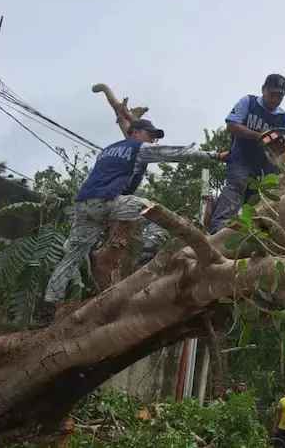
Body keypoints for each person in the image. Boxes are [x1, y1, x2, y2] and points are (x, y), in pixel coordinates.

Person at [30, 119, 227, 328]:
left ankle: (46, 309)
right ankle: (147, 256)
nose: (153, 139)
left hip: (83, 204)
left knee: (71, 257)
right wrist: (213, 156)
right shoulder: (137, 148)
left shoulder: (107, 150)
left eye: (154, 136)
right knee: (156, 212)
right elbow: (174, 153)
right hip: (107, 202)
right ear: (134, 132)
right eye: (149, 134)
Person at [207, 73, 285, 234]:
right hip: (242, 160)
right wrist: (259, 136)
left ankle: (251, 235)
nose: (275, 99)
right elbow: (231, 125)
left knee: (260, 204)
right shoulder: (248, 102)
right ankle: (218, 230)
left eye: (280, 96)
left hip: (267, 170)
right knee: (235, 187)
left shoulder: (284, 117)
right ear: (263, 90)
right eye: (272, 94)